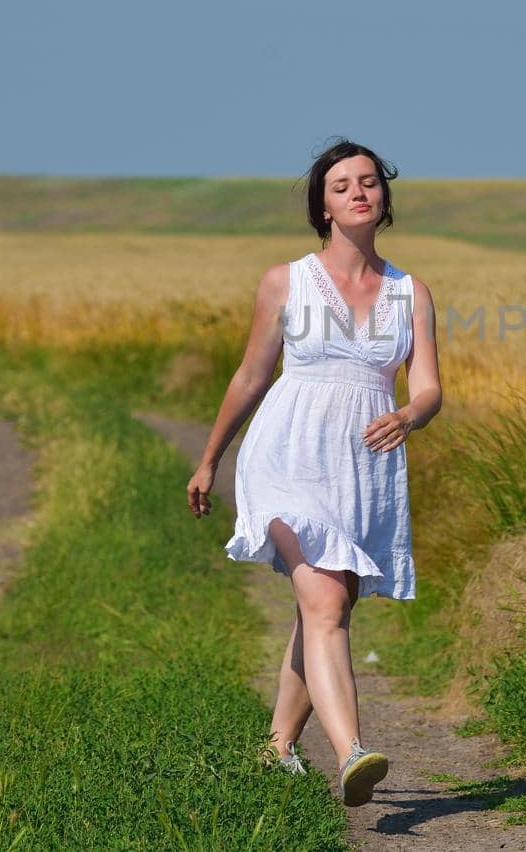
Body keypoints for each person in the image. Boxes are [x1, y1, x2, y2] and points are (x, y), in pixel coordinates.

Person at [184, 138, 441, 808]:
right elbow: (250, 376)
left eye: (368, 182)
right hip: (287, 453)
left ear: (384, 197)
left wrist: (411, 414)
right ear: (322, 208)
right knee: (326, 603)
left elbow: (432, 388)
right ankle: (353, 752)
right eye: (340, 186)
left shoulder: (411, 293)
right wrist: (211, 459)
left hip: (364, 469)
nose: (358, 192)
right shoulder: (285, 281)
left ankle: (276, 747)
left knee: (325, 603)